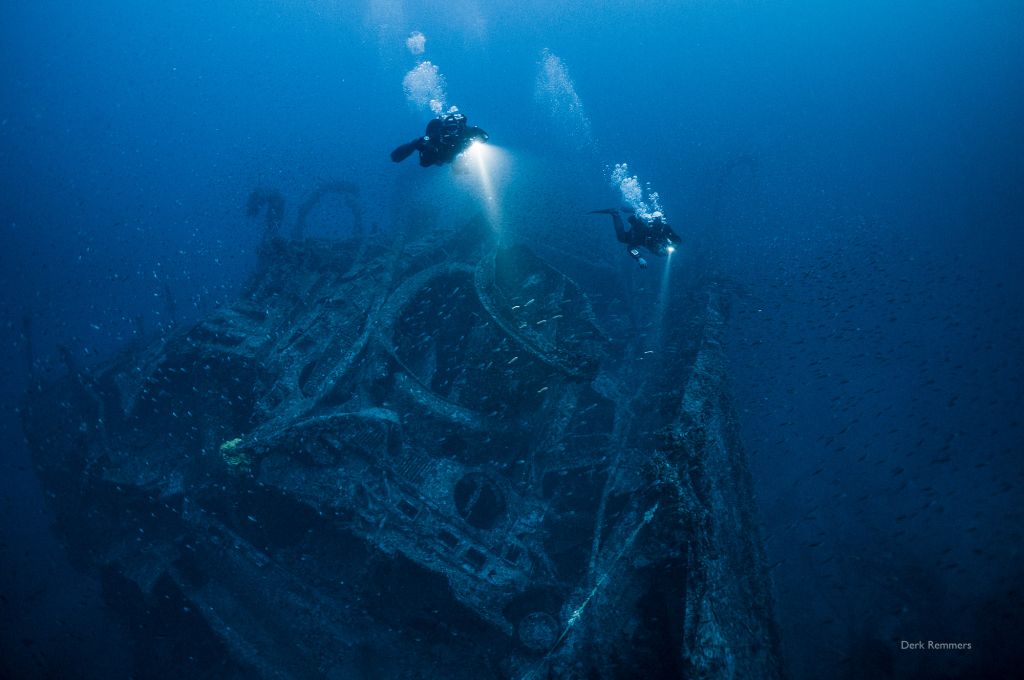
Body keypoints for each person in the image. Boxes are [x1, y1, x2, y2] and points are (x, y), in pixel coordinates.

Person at [390, 108, 489, 167]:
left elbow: (485, 137)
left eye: (454, 128)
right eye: (449, 128)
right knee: (425, 163)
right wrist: (423, 144)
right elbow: (424, 142)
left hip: (455, 153)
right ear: (444, 128)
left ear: (458, 127)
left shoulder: (465, 131)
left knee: (458, 164)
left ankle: (457, 164)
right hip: (438, 153)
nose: (452, 131)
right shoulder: (436, 134)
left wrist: (477, 134)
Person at [588, 208, 681, 268]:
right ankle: (615, 214)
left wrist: (674, 246)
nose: (661, 250)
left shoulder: (665, 228)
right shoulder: (643, 233)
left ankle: (632, 211)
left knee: (661, 254)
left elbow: (677, 239)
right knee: (622, 238)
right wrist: (639, 258)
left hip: (645, 236)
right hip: (637, 231)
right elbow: (631, 248)